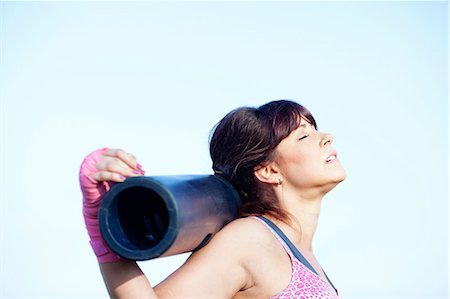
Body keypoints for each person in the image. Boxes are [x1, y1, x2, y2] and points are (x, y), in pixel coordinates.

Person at [79, 99, 346, 298]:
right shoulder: (251, 239)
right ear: (269, 171)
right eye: (303, 136)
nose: (326, 138)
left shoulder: (305, 257)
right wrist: (104, 234)